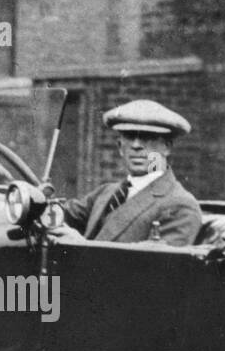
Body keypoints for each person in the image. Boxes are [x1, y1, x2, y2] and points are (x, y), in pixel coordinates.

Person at [53, 99, 202, 247]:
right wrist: (31, 197)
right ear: (119, 146)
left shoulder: (180, 205)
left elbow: (155, 266)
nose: (136, 145)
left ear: (166, 147)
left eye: (147, 137)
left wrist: (80, 246)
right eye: (130, 136)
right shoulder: (106, 193)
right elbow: (60, 215)